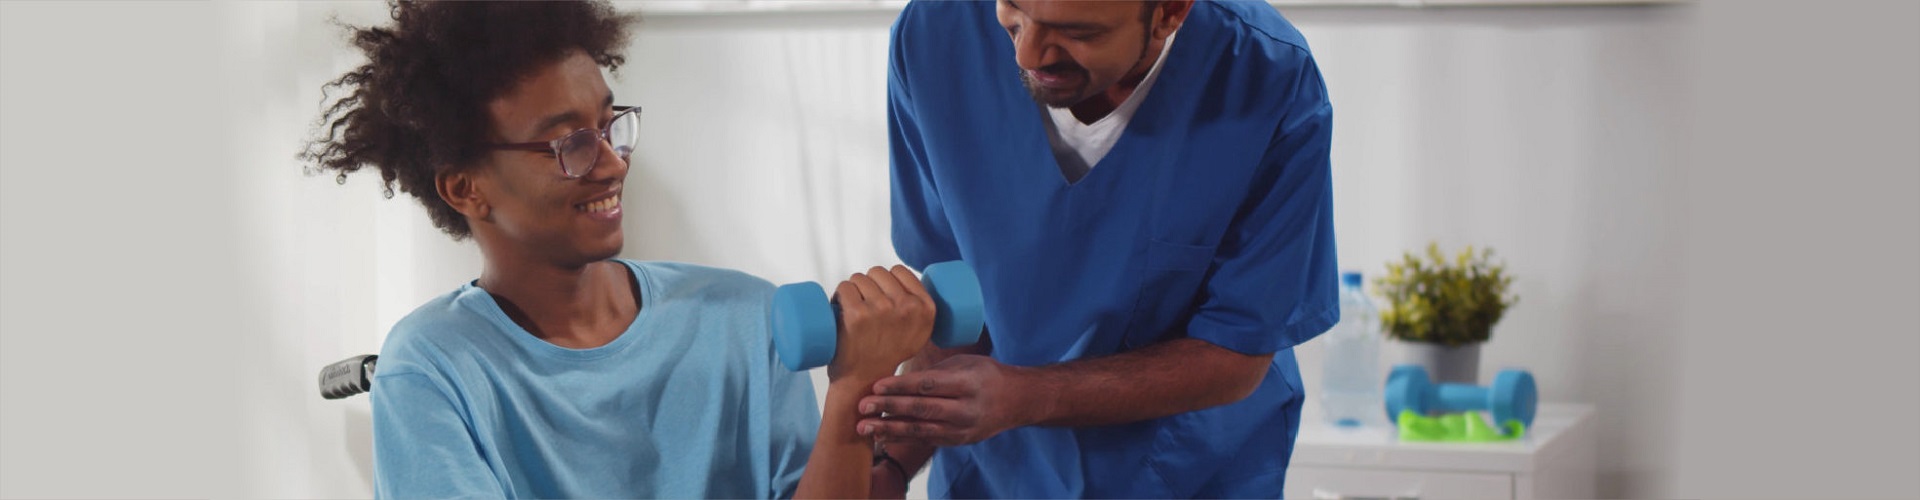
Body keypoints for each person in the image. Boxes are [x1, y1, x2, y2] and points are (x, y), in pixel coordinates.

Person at [301, 2, 926, 497]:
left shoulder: (746, 318)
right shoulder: (432, 371)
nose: (611, 164)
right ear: (467, 189)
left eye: (609, 126)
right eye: (568, 144)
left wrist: (852, 393)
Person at [859, 0, 1340, 497]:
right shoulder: (935, 35)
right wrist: (893, 462)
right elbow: (957, 304)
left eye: (1077, 31)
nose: (1026, 54)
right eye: (1013, 12)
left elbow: (1236, 351)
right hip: (997, 472)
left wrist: (1027, 395)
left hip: (1184, 472)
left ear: (1169, 13)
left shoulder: (1267, 77)